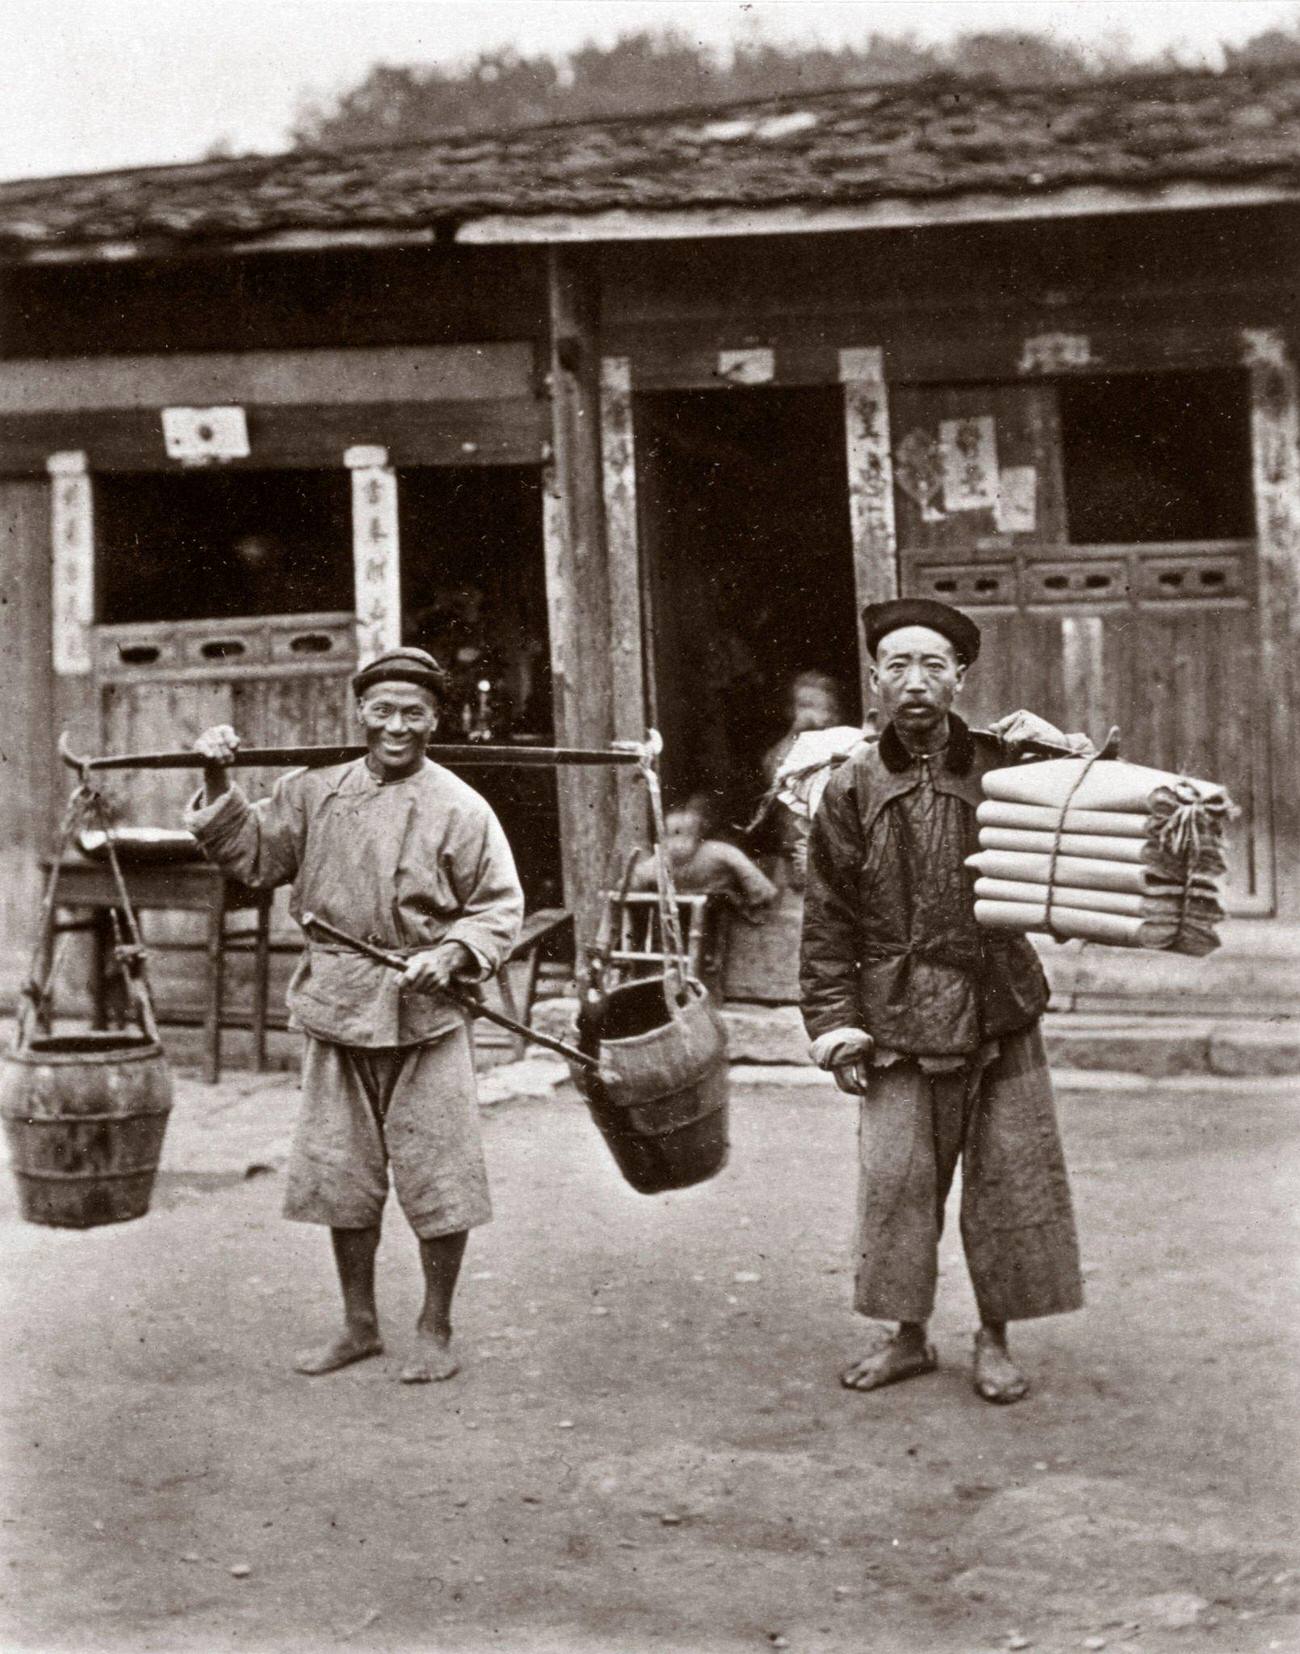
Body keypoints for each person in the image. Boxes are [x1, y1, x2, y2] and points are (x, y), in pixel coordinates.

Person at [187, 647, 523, 1384]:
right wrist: (218, 778)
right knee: (343, 1173)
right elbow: (252, 858)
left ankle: (435, 1326)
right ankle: (359, 1325)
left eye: (413, 713)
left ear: (437, 720)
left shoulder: (462, 808)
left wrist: (454, 951)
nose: (396, 727)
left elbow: (499, 907)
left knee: (440, 1174)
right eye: (382, 711)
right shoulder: (312, 792)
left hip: (427, 1010)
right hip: (338, 1004)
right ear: (359, 714)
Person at [800, 598, 1092, 1404]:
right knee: (896, 1187)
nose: (916, 681)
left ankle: (994, 1337)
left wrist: (1067, 756)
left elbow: (1087, 810)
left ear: (962, 677)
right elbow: (826, 915)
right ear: (875, 679)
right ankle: (906, 1337)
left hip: (996, 1001)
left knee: (1006, 1179)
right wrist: (834, 1025)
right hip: (892, 1014)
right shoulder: (851, 787)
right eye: (898, 664)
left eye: (934, 664)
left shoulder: (1006, 763)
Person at [629, 795, 778, 914]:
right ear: (663, 837)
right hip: (682, 917)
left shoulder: (716, 851)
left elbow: (753, 879)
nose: (678, 844)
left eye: (686, 834)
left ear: (699, 834)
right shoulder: (662, 860)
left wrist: (757, 895)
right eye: (673, 835)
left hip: (718, 915)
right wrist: (631, 883)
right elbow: (638, 876)